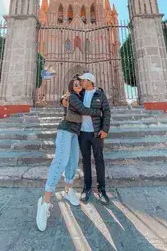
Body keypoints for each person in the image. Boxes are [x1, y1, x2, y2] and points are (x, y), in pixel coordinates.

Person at [36, 78, 102, 232]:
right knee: (61, 161)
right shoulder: (71, 97)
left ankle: (68, 191)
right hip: (65, 130)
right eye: (75, 85)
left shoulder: (79, 96)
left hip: (75, 133)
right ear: (71, 88)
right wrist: (98, 111)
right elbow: (83, 110)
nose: (78, 86)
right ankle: (45, 202)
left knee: (73, 162)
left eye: (80, 84)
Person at [63, 73, 111, 205]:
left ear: (89, 81)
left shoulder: (100, 94)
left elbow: (106, 112)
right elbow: (68, 97)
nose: (81, 82)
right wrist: (62, 100)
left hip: (96, 133)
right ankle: (87, 187)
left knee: (99, 159)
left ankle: (102, 190)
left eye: (83, 80)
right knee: (85, 160)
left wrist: (105, 129)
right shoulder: (80, 94)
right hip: (82, 133)